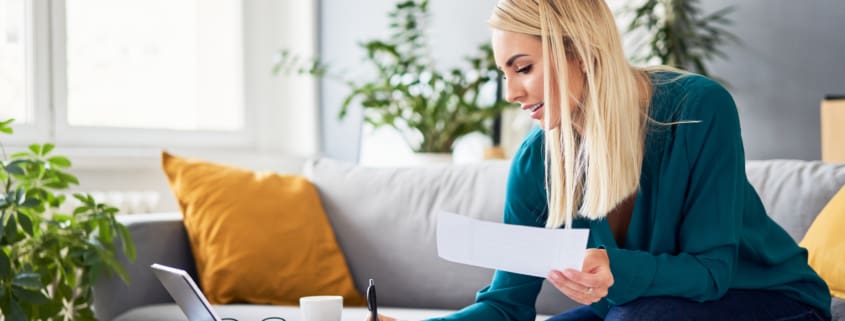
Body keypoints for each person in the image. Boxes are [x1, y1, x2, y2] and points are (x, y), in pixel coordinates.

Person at [369, 0, 832, 320]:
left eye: (523, 67)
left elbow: (712, 273)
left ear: (582, 50)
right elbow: (507, 307)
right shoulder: (538, 161)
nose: (510, 93)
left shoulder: (697, 109)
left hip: (770, 299)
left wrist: (616, 268)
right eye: (503, 74)